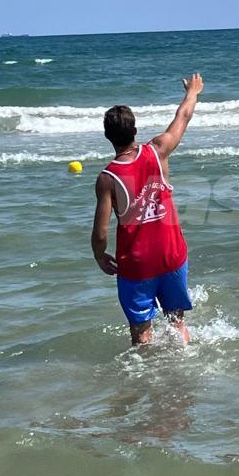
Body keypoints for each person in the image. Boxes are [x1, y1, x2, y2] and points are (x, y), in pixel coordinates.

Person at [91, 72, 204, 345]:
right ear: (135, 131)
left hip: (136, 266)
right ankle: (185, 363)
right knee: (176, 320)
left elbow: (101, 231)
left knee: (141, 333)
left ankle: (146, 382)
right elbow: (183, 118)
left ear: (108, 136)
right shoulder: (158, 150)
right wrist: (193, 92)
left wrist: (99, 255)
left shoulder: (108, 178)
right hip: (171, 254)